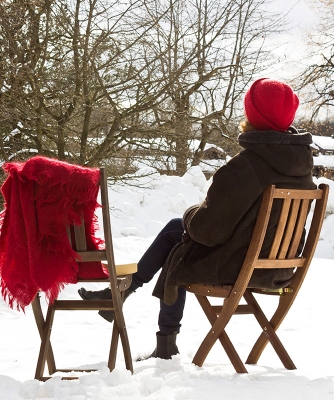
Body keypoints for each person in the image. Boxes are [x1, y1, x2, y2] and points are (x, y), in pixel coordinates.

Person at [79, 78, 316, 359]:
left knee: (178, 241)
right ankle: (124, 300)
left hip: (237, 267)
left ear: (253, 115)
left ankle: (134, 307)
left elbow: (208, 232)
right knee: (177, 236)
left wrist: (191, 212)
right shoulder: (303, 169)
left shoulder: (246, 166)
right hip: (276, 269)